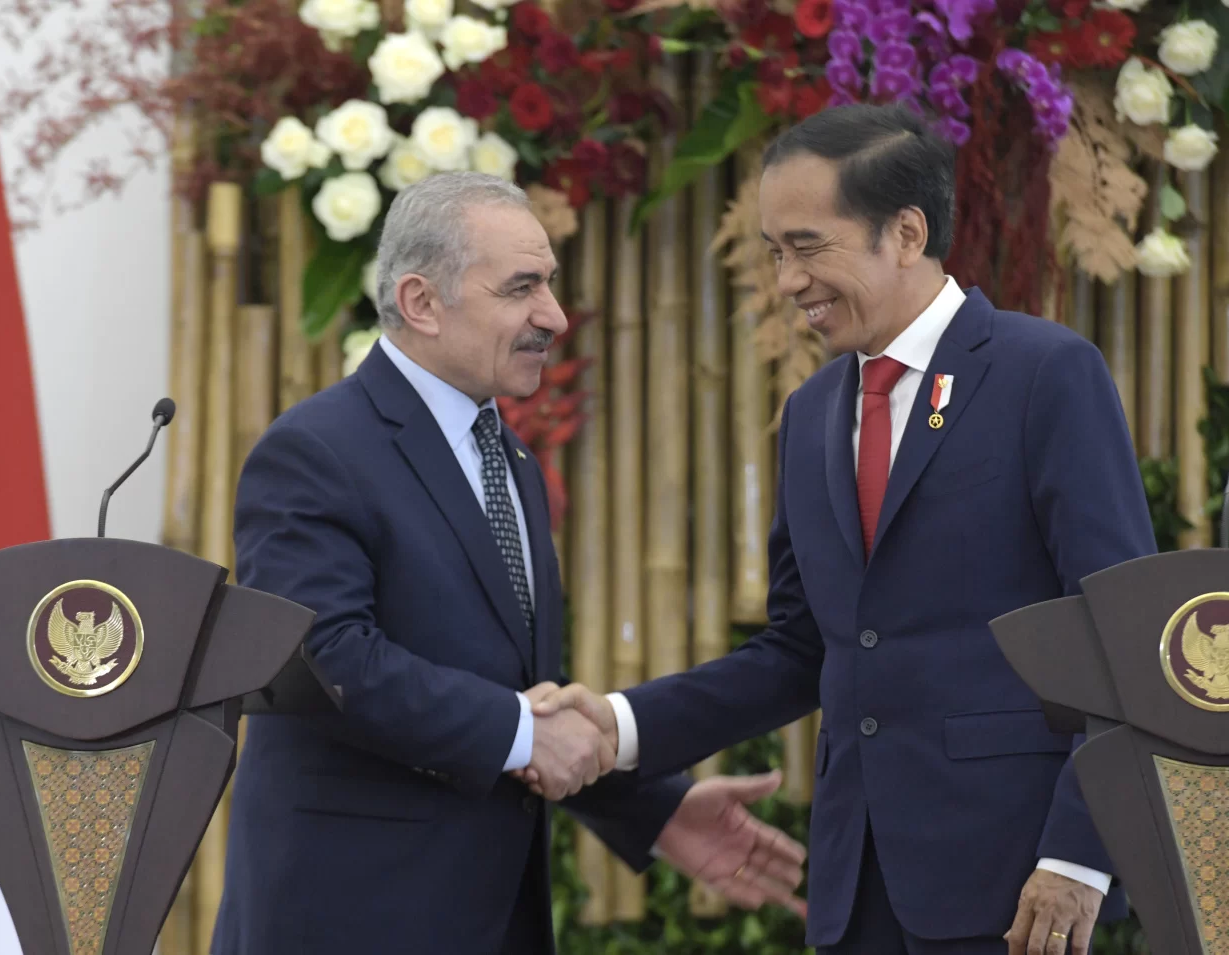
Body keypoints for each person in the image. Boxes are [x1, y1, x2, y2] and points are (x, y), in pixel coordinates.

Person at [523, 103, 1158, 955]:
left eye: (808, 246)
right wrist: (619, 724)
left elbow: (1121, 629)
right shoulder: (813, 410)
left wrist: (1079, 855)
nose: (789, 281)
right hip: (856, 888)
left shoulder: (1043, 373)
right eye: (774, 252)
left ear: (906, 232)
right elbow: (800, 648)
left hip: (1018, 885)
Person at [211, 172, 806, 955]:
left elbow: (511, 695)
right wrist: (525, 731)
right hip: (350, 919)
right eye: (522, 287)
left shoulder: (510, 459)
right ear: (422, 301)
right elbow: (322, 660)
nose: (553, 315)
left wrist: (652, 808)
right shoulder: (316, 450)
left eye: (548, 284)